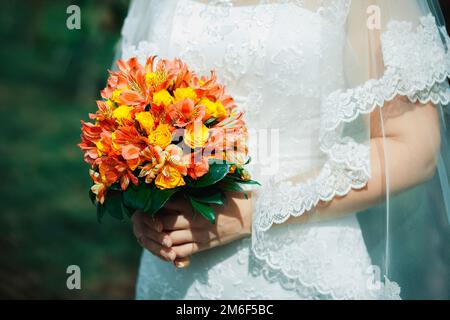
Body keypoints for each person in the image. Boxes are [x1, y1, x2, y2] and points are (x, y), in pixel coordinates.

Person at [123, 0, 450, 299]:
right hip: (171, 279)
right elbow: (131, 115)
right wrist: (145, 204)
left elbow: (414, 147)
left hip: (299, 274)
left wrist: (254, 211)